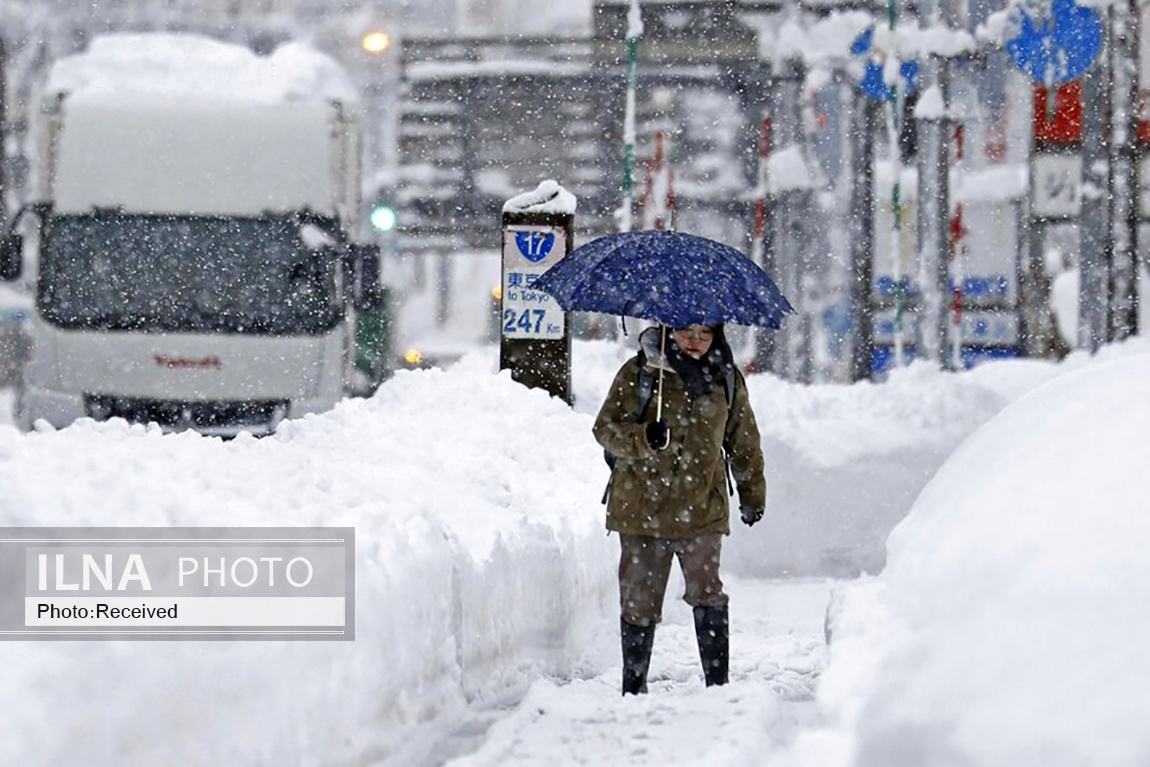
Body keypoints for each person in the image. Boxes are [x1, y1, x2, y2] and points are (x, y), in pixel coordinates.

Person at [593, 322, 766, 695]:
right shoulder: (639, 373)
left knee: (708, 593)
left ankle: (717, 685)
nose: (694, 342)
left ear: (716, 337)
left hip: (701, 507)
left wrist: (753, 495)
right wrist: (641, 438)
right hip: (641, 510)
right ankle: (633, 687)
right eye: (686, 332)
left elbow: (743, 439)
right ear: (669, 331)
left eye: (704, 334)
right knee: (639, 601)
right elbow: (604, 429)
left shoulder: (726, 379)